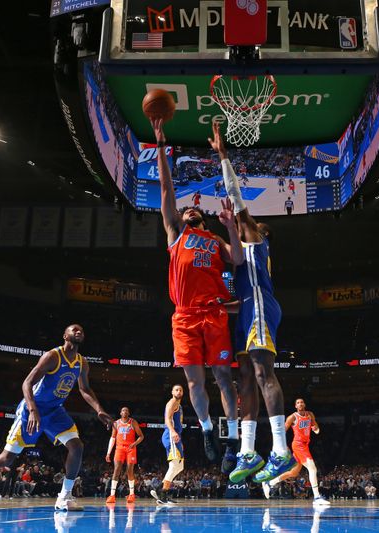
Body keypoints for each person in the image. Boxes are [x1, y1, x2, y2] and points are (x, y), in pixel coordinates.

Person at [0, 324, 113, 512]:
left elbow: (85, 389)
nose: (79, 332)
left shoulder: (82, 363)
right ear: (64, 336)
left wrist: (99, 409)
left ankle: (64, 496)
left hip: (55, 410)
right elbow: (27, 383)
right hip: (32, 408)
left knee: (77, 446)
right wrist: (33, 409)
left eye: (81, 330)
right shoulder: (52, 356)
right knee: (5, 459)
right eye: (74, 329)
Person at [207, 121, 295, 483]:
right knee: (245, 378)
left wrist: (223, 155)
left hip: (259, 307)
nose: (245, 224)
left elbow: (237, 197)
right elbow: (236, 298)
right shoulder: (244, 252)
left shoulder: (256, 238)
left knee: (262, 372)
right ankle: (247, 451)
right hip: (247, 309)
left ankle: (280, 451)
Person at [152, 118, 243, 465]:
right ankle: (206, 429)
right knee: (194, 381)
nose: (187, 209)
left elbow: (236, 257)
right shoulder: (176, 233)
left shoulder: (214, 239)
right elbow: (165, 191)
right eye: (184, 208)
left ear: (201, 218)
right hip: (186, 316)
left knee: (223, 377)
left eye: (193, 209)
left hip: (215, 312)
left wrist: (231, 227)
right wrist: (161, 146)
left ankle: (232, 439)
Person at [263, 399, 330, 506]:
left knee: (293, 473)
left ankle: (269, 483)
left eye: (302, 402)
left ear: (305, 404)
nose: (300, 404)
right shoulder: (292, 417)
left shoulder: (310, 414)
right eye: (298, 403)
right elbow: (281, 432)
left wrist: (315, 428)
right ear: (295, 406)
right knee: (312, 468)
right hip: (298, 445)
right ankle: (317, 497)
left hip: (305, 445)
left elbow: (316, 428)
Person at [150, 385, 186, 505]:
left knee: (180, 467)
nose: (179, 391)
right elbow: (167, 419)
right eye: (176, 389)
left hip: (176, 437)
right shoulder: (172, 402)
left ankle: (160, 489)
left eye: (180, 390)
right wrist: (173, 431)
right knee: (174, 464)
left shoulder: (179, 405)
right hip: (170, 435)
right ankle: (163, 494)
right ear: (172, 392)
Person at [105, 406, 144, 503]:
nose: (125, 411)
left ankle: (131, 494)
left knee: (129, 471)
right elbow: (113, 438)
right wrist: (108, 452)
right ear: (120, 413)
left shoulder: (133, 422)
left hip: (131, 448)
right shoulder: (116, 423)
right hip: (119, 448)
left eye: (126, 410)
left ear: (129, 413)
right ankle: (112, 495)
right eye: (123, 410)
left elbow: (141, 436)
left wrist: (134, 443)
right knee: (116, 470)